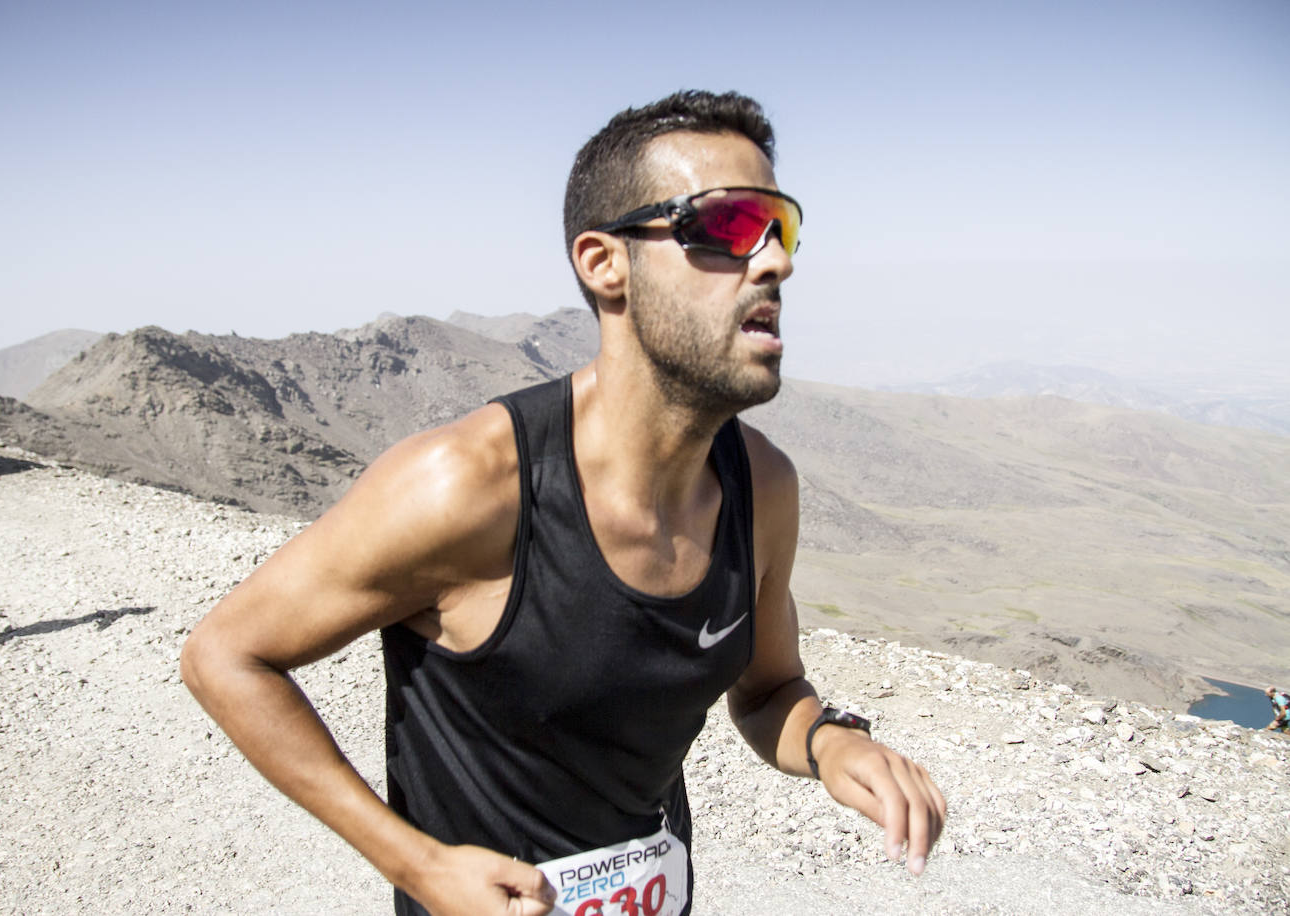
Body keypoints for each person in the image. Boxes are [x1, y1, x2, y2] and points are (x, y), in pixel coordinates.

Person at [181, 89, 946, 916]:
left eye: (780, 228)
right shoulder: (470, 485)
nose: (774, 263)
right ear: (604, 263)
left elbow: (767, 690)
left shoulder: (762, 487)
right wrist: (418, 866)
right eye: (727, 225)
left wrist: (829, 742)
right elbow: (225, 655)